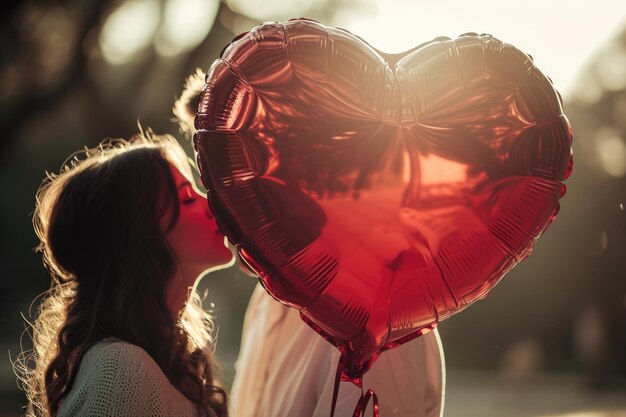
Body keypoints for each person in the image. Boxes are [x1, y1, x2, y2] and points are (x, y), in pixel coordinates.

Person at [174, 71, 446, 417]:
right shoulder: (269, 299)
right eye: (213, 180)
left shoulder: (375, 328)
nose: (217, 204)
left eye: (232, 178)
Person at [16, 132, 234, 417]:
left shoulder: (171, 366)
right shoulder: (120, 370)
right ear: (139, 235)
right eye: (188, 199)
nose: (211, 204)